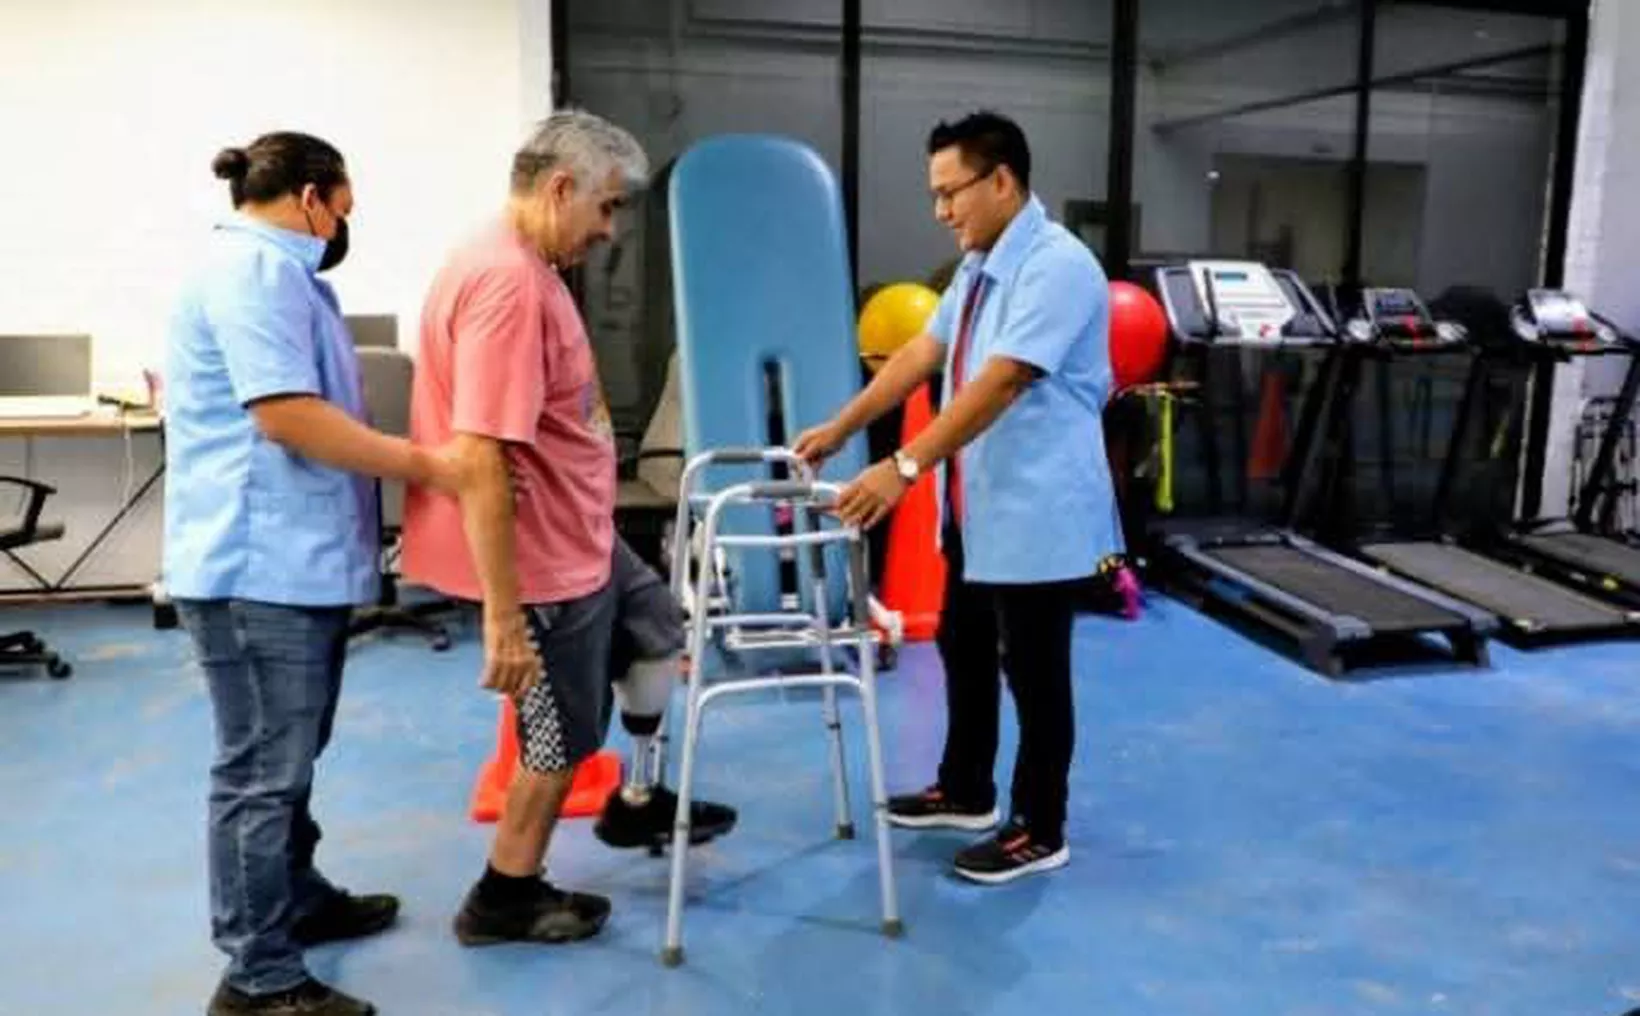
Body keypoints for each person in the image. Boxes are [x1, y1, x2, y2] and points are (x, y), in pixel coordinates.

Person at [400, 109, 736, 947]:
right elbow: (482, 457)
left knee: (657, 626)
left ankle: (638, 798)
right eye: (606, 206)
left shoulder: (523, 261)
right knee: (557, 742)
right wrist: (505, 617)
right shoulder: (508, 286)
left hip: (584, 538)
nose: (610, 229)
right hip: (543, 562)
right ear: (560, 188)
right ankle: (504, 895)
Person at [166, 132, 463, 1016]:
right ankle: (258, 978)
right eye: (343, 209)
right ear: (311, 197)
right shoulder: (252, 274)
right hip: (256, 570)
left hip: (293, 566)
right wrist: (429, 466)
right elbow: (289, 417)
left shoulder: (289, 278)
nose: (343, 226)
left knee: (289, 758)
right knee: (262, 770)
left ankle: (296, 899)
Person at [794, 110, 1117, 885]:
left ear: (1001, 180)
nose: (940, 211)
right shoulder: (978, 265)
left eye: (950, 192)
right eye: (934, 195)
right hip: (977, 504)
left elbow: (1003, 380)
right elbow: (923, 351)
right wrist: (842, 426)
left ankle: (1040, 826)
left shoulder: (1057, 266)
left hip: (1039, 510)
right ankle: (967, 788)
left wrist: (902, 467)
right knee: (962, 645)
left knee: (1034, 671)